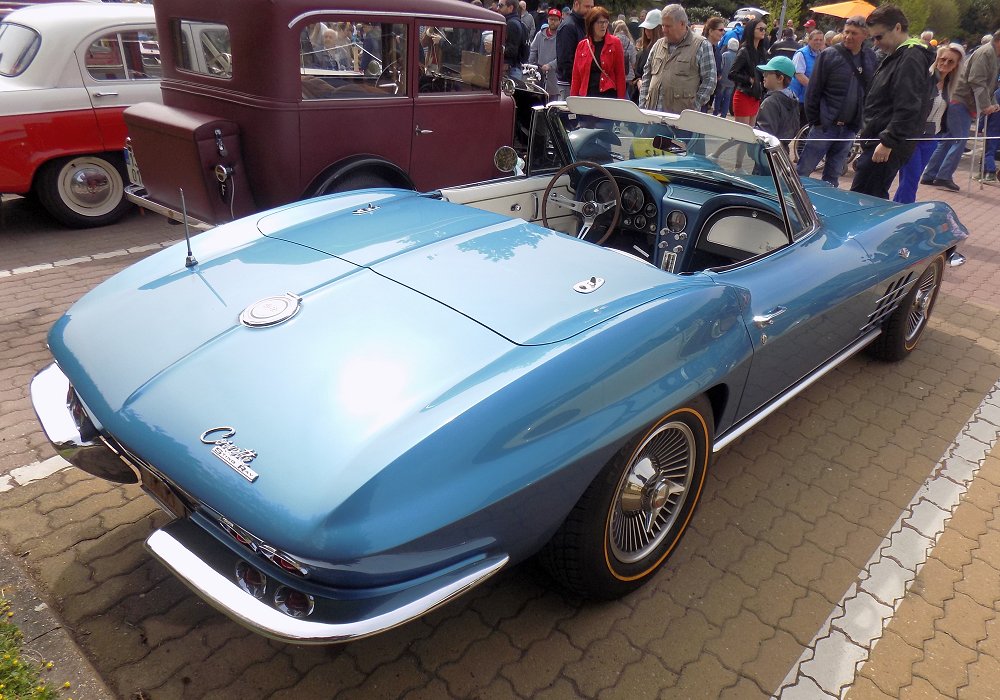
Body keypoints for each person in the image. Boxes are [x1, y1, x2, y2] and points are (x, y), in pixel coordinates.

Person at [850, 4, 936, 199]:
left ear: (897, 28)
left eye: (879, 37)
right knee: (865, 197)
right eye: (873, 38)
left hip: (885, 144)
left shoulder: (911, 56)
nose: (875, 43)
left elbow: (908, 105)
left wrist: (888, 141)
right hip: (880, 139)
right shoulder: (901, 54)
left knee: (864, 200)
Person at [797, 17, 877, 187]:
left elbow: (869, 90)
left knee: (833, 177)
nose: (848, 36)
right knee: (803, 172)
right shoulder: (829, 55)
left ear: (865, 35)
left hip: (849, 128)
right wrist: (816, 121)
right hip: (825, 126)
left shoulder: (870, 57)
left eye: (853, 33)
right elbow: (813, 90)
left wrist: (858, 122)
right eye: (846, 31)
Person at [920, 31, 1000, 191]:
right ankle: (943, 176)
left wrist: (992, 102)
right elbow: (976, 80)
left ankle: (930, 174)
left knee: (950, 139)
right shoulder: (986, 53)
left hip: (962, 99)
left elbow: (987, 84)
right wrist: (986, 105)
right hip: (961, 99)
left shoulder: (992, 54)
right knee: (959, 139)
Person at [893, 43, 964, 202]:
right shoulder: (925, 79)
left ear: (955, 66)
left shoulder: (949, 86)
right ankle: (904, 214)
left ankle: (898, 210)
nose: (945, 64)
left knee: (911, 180)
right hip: (912, 137)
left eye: (950, 62)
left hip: (931, 139)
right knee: (910, 180)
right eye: (942, 59)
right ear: (936, 58)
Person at [638, 4, 716, 112]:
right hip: (652, 118)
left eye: (668, 26)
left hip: (681, 122)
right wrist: (642, 108)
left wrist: (694, 106)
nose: (664, 30)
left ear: (682, 24)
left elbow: (710, 81)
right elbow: (646, 77)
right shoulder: (658, 45)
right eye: (662, 25)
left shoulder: (701, 45)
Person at [570, 6, 626, 98]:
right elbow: (576, 77)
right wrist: (573, 101)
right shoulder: (582, 45)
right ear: (591, 24)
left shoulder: (615, 43)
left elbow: (620, 75)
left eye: (606, 22)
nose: (603, 25)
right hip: (586, 97)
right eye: (600, 22)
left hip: (608, 97)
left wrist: (621, 101)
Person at [728, 17, 768, 124]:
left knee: (751, 134)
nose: (763, 31)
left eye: (764, 29)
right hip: (744, 95)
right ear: (751, 30)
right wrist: (749, 80)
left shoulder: (761, 51)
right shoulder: (744, 51)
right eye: (760, 29)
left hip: (755, 96)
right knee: (743, 135)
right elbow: (732, 74)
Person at [755, 55, 801, 143]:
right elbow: (795, 128)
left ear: (780, 78)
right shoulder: (793, 98)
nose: (763, 75)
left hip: (767, 153)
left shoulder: (770, 102)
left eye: (767, 73)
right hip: (782, 150)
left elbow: (763, 135)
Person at [555, 0, 593, 99]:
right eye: (587, 7)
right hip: (569, 84)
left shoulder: (583, 24)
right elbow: (565, 60)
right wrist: (577, 83)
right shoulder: (568, 27)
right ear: (576, 4)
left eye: (591, 7)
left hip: (580, 83)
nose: (590, 10)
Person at [630, 9, 661, 103]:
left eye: (650, 29)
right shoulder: (642, 52)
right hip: (640, 98)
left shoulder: (666, 51)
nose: (646, 31)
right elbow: (636, 74)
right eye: (645, 28)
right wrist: (638, 81)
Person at [530, 7, 562, 97]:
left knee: (553, 99)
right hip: (539, 74)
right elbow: (533, 50)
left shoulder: (562, 37)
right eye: (551, 19)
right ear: (547, 19)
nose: (553, 22)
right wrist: (531, 63)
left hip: (554, 76)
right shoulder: (540, 34)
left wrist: (550, 65)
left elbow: (562, 56)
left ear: (560, 21)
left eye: (556, 20)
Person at [791, 30, 824, 105]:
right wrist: (815, 88)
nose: (818, 42)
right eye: (816, 39)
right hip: (798, 98)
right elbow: (799, 75)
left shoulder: (821, 55)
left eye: (821, 40)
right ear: (809, 40)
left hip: (810, 98)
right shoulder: (801, 54)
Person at [976, 80, 1000, 183]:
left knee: (988, 151)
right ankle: (982, 173)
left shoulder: (996, 94)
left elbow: (986, 112)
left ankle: (990, 173)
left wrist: (979, 127)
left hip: (993, 127)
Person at [500, 0, 529, 78]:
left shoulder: (511, 24)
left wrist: (495, 48)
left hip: (510, 70)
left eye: (501, 5)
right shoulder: (516, 22)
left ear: (510, 8)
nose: (498, 8)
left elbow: (512, 50)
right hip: (514, 68)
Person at [714, 37, 739, 117]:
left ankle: (716, 111)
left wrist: (719, 75)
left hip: (723, 79)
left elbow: (721, 66)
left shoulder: (725, 55)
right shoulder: (738, 56)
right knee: (728, 97)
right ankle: (724, 114)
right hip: (732, 81)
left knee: (719, 96)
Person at [612, 19, 637, 87]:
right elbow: (633, 62)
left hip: (615, 74)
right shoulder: (631, 44)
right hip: (628, 75)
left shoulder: (612, 43)